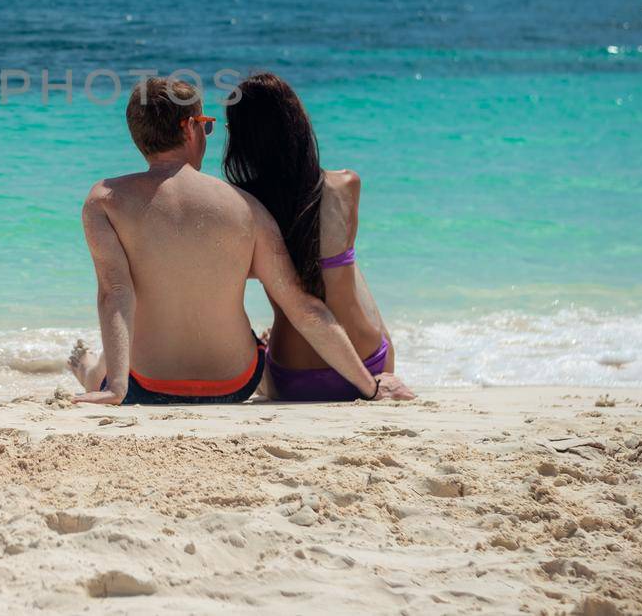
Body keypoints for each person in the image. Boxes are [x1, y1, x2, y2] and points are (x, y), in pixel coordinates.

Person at [67, 76, 413, 405]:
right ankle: (90, 365)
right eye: (207, 124)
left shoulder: (104, 199)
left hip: (144, 383)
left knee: (100, 366)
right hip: (235, 382)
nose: (207, 133)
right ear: (189, 127)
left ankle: (87, 367)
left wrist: (117, 387)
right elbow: (303, 307)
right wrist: (369, 388)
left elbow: (115, 293)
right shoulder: (245, 206)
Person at [223, 72, 396, 401]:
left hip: (293, 376)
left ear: (243, 140)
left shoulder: (243, 206)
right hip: (371, 363)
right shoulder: (347, 185)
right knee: (344, 263)